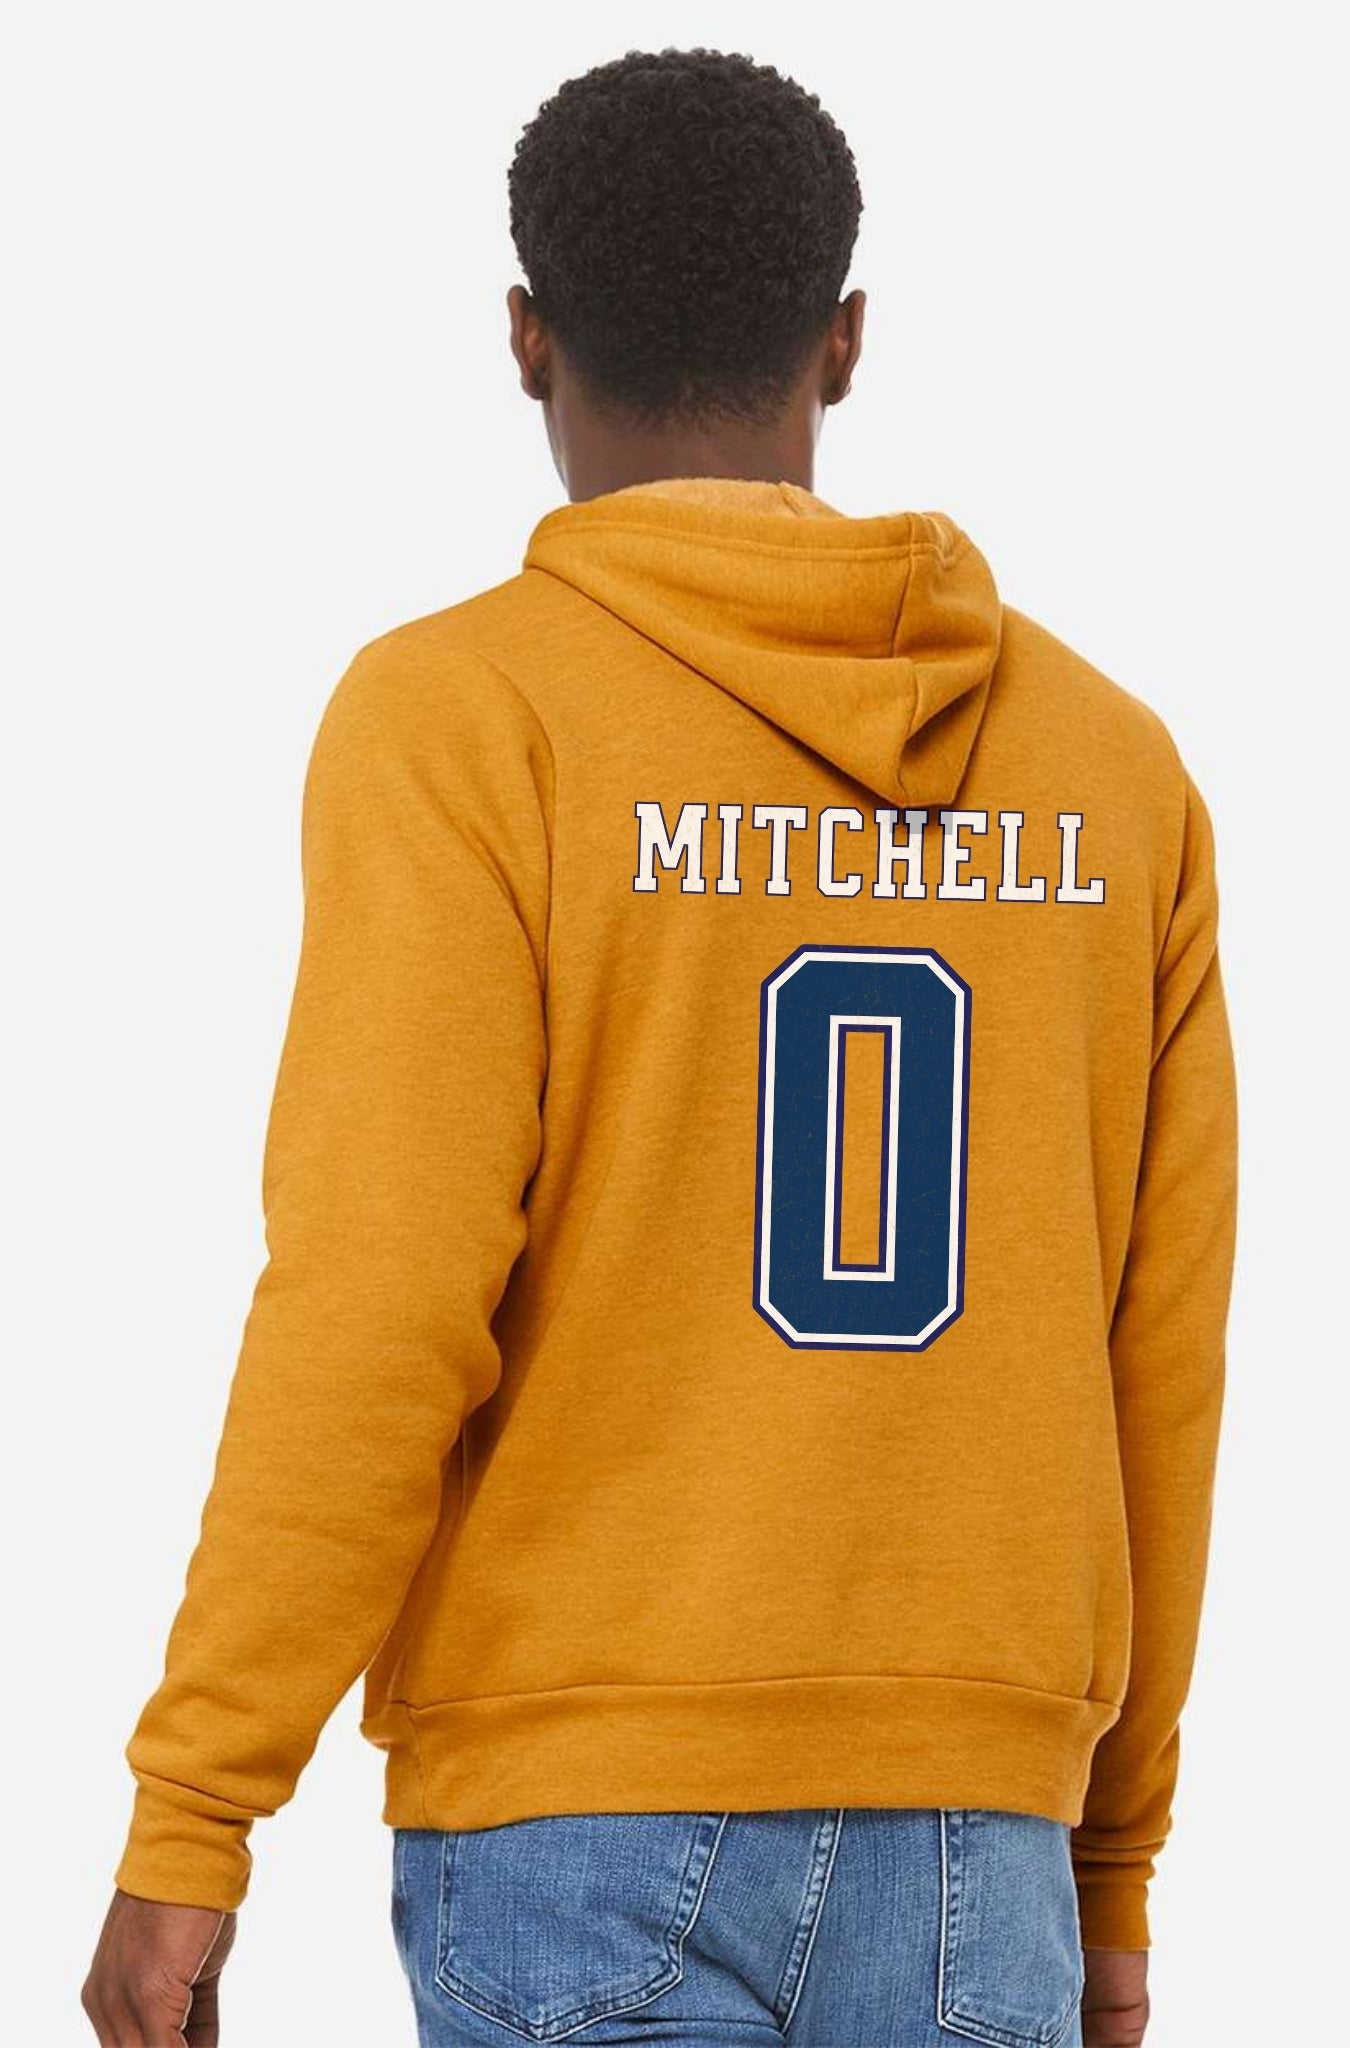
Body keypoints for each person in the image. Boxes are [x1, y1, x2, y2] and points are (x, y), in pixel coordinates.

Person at [81, 46, 1238, 2048]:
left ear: (525, 339)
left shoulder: (468, 718)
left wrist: (199, 1806)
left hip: (577, 1804)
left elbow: (378, 1297)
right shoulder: (1112, 772)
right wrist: (1113, 1861)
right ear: (844, 341)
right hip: (984, 1835)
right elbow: (1163, 1351)